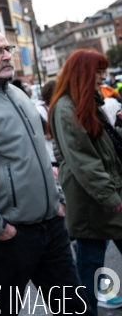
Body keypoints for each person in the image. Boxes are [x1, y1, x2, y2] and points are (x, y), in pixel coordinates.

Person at [0, 25, 89, 314]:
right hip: (10, 237)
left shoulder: (20, 95)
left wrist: (58, 199)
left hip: (51, 227)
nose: (7, 55)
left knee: (75, 309)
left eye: (8, 48)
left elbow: (42, 157)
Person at [48, 49, 122, 314]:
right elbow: (84, 160)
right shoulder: (68, 107)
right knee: (90, 264)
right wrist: (111, 198)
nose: (102, 77)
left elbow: (104, 147)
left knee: (90, 262)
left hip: (101, 195)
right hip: (92, 200)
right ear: (82, 73)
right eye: (98, 72)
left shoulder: (86, 101)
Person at [35, 81, 57, 166]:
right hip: (50, 154)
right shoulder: (40, 109)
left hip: (57, 152)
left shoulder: (52, 106)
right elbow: (46, 134)